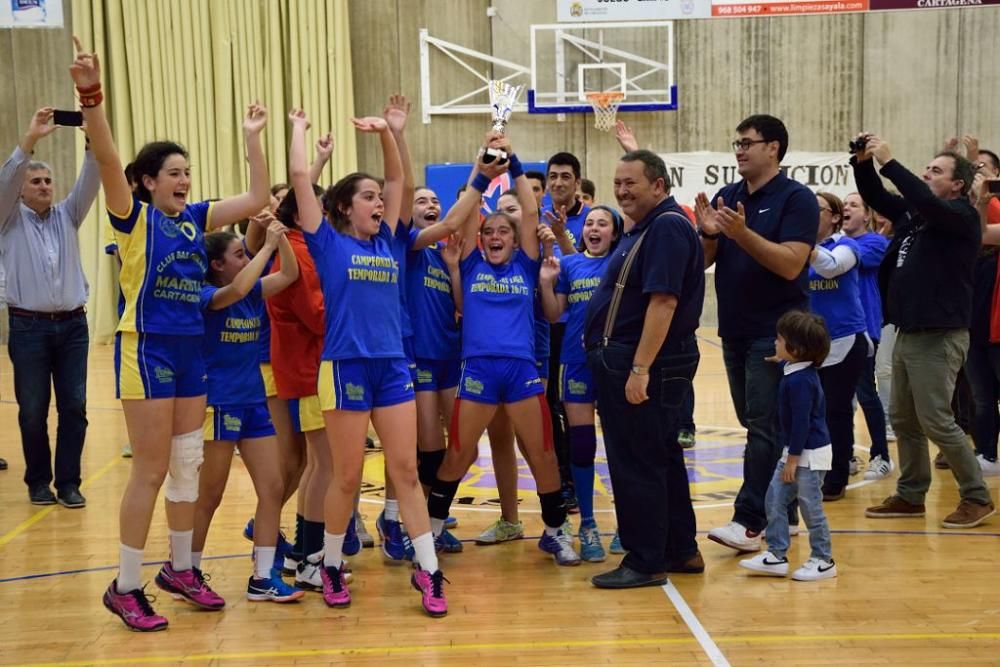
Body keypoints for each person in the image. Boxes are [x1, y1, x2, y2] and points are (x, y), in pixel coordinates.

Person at [70, 38, 271, 631]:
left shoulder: (197, 220)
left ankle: (180, 568)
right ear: (149, 182)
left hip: (190, 354)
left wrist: (253, 138)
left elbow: (259, 198)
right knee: (151, 471)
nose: (184, 179)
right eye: (174, 173)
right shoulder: (135, 218)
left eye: (188, 172)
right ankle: (125, 584)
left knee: (186, 465)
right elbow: (108, 159)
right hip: (148, 348)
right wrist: (91, 95)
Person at [288, 108, 448, 616]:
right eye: (368, 196)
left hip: (392, 367)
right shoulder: (327, 242)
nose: (380, 202)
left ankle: (430, 572)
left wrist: (393, 133)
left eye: (380, 198)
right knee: (347, 474)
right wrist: (298, 132)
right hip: (345, 368)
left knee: (405, 469)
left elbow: (399, 176)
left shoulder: (392, 242)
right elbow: (297, 180)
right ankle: (330, 564)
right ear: (342, 206)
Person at [425, 133, 581, 568]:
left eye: (503, 232)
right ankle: (434, 528)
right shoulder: (471, 262)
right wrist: (482, 164)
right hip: (476, 370)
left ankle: (553, 531)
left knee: (543, 453)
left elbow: (530, 209)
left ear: (516, 241)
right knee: (458, 452)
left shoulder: (527, 264)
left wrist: (513, 164)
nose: (494, 235)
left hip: (520, 370)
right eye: (488, 232)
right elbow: (471, 213)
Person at [854, 134, 995, 528]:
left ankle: (976, 497)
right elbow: (878, 197)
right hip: (908, 331)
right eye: (926, 169)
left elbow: (927, 201)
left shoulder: (959, 217)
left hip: (939, 333)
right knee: (903, 419)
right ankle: (912, 493)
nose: (926, 174)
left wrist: (891, 162)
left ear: (957, 185)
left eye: (936, 170)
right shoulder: (916, 217)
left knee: (936, 419)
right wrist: (863, 162)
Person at [696, 115, 819, 553]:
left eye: (748, 143)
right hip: (734, 328)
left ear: (774, 148)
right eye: (737, 142)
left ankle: (749, 521)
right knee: (757, 422)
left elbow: (790, 264)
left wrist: (741, 233)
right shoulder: (727, 196)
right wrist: (708, 234)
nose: (740, 150)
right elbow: (707, 260)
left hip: (778, 334)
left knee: (764, 428)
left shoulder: (797, 199)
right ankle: (782, 513)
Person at [586, 149, 705, 589]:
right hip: (637, 362)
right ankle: (679, 548)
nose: (621, 191)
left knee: (636, 462)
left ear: (658, 186)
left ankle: (645, 560)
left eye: (630, 183)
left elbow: (664, 301)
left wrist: (639, 369)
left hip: (645, 365)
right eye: (617, 183)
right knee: (661, 456)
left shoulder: (668, 227)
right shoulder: (653, 227)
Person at [194, 221, 303, 603]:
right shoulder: (209, 293)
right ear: (217, 265)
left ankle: (261, 576)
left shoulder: (252, 290)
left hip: (253, 401)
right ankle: (186, 571)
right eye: (238, 254)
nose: (247, 258)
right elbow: (238, 288)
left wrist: (283, 236)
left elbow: (289, 274)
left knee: (273, 486)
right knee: (209, 494)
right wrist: (265, 246)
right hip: (219, 402)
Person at [1, 107, 100, 507]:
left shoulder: (67, 214)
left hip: (74, 327)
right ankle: (38, 482)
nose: (43, 186)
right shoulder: (7, 219)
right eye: (35, 181)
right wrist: (29, 140)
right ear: (22, 190)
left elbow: (91, 181)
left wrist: (94, 138)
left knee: (74, 406)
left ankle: (70, 483)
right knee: (32, 411)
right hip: (28, 328)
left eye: (47, 180)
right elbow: (5, 181)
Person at [539, 205, 622, 562]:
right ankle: (588, 525)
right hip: (575, 363)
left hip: (614, 363)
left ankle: (627, 524)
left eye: (603, 223)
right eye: (589, 222)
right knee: (582, 446)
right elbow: (554, 314)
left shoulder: (621, 262)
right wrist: (545, 283)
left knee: (620, 447)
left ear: (615, 234)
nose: (594, 227)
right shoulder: (570, 265)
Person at [739, 310, 837, 581]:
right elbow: (788, 364)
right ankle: (777, 554)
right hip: (794, 453)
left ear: (796, 349)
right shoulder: (795, 368)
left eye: (779, 341)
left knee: (810, 507)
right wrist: (779, 359)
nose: (775, 343)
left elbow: (802, 425)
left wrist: (792, 459)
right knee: (774, 498)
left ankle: (823, 559)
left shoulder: (802, 383)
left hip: (808, 455)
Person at [807, 193, 870, 501]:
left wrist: (801, 243)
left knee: (836, 411)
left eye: (816, 209)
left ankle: (838, 475)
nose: (809, 214)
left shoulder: (846, 247)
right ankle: (815, 469)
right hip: (810, 346)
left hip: (845, 341)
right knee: (810, 411)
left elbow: (831, 268)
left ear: (833, 217)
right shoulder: (801, 252)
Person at [840, 193, 892, 480]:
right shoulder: (834, 245)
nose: (847, 208)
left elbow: (847, 260)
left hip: (864, 330)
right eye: (844, 204)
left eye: (854, 204)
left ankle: (881, 455)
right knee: (837, 399)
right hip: (835, 332)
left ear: (868, 215)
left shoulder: (875, 243)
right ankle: (844, 455)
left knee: (865, 392)